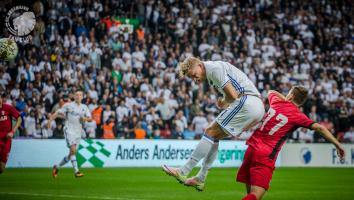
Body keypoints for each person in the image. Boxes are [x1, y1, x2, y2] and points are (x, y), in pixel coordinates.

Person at [162, 57, 265, 191]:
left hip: (247, 103)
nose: (195, 79)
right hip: (255, 106)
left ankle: (183, 171)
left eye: (194, 74)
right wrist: (225, 100)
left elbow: (233, 96)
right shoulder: (212, 72)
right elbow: (233, 94)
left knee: (210, 132)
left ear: (199, 65)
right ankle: (200, 178)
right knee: (213, 136)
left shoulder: (213, 69)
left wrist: (224, 100)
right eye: (192, 78)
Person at [236, 86, 345, 200]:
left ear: (291, 96)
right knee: (256, 196)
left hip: (251, 148)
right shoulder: (298, 116)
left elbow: (271, 92)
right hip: (265, 155)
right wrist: (338, 144)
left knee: (251, 194)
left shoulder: (277, 101)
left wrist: (286, 99)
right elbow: (320, 128)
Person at [47, 90, 92, 178]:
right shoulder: (68, 105)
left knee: (71, 154)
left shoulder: (84, 107)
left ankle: (57, 167)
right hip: (69, 130)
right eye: (77, 95)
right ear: (74, 97)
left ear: (82, 97)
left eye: (80, 95)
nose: (78, 96)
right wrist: (50, 120)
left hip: (78, 132)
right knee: (73, 150)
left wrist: (85, 119)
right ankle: (76, 171)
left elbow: (90, 118)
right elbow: (57, 113)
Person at [0, 92, 22, 174]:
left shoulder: (7, 108)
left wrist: (12, 131)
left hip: (6, 140)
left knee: (1, 169)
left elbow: (19, 119)